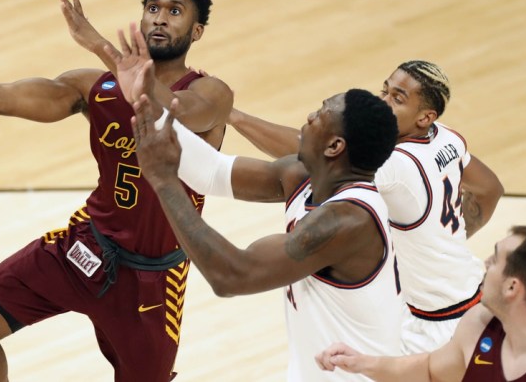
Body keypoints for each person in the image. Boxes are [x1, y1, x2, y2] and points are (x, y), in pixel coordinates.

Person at [0, 0, 233, 382]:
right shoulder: (95, 87)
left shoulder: (210, 93)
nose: (160, 17)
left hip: (151, 280)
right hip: (84, 247)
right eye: (153, 8)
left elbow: (179, 112)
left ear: (197, 31)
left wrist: (103, 47)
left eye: (174, 11)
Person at [113, 28, 404, 381]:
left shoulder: (346, 221)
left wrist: (163, 181)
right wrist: (145, 102)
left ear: (334, 147)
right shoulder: (303, 176)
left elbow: (233, 275)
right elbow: (213, 172)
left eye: (319, 114)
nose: (308, 119)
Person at [227, 60, 505, 353]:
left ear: (425, 117)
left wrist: (234, 117)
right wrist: (448, 241)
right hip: (474, 296)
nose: (383, 103)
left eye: (397, 99)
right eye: (384, 91)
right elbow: (490, 189)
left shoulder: (397, 165)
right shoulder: (448, 137)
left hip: (436, 325)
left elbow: (314, 151)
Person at [314, 225, 526, 382]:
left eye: (495, 260)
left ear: (512, 287)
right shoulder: (479, 324)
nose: (485, 263)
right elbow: (430, 372)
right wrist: (362, 362)